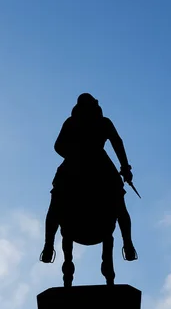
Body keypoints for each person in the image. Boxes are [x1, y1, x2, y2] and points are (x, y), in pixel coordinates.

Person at [40, 93, 137, 263]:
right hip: (97, 163)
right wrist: (124, 168)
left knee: (57, 201)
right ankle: (127, 244)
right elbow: (117, 143)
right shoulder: (100, 122)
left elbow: (58, 146)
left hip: (77, 165)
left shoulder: (74, 122)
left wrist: (73, 155)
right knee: (118, 203)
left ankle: (48, 247)